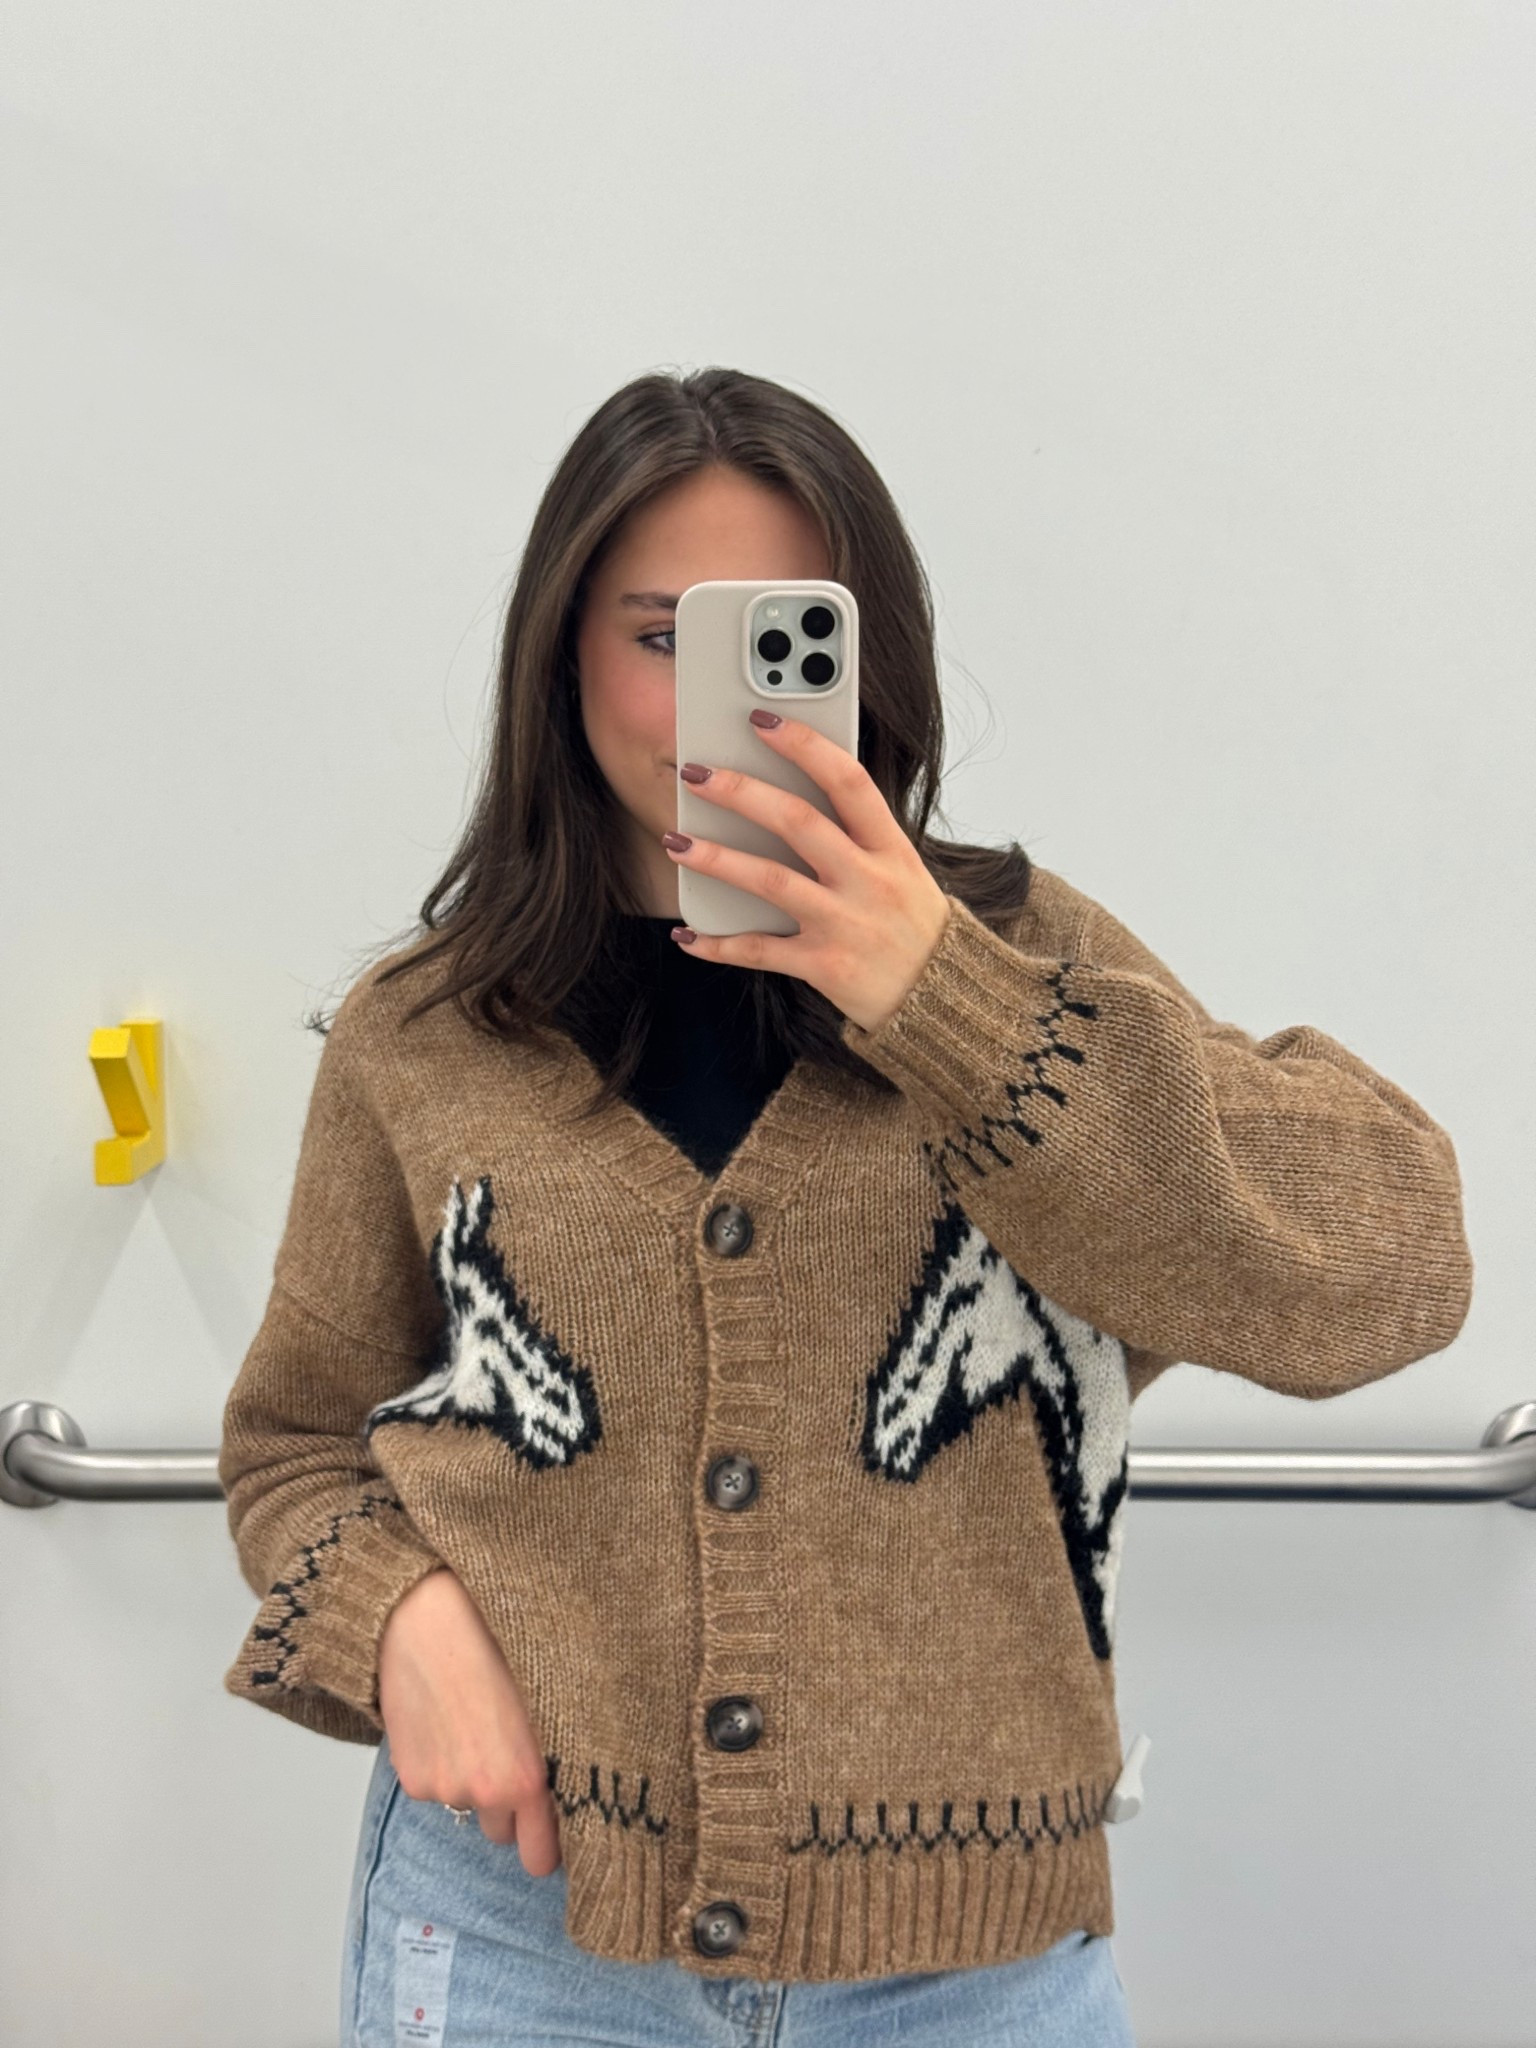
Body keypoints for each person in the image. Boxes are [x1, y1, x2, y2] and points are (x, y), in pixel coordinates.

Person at [217, 367, 1474, 2047]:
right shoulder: (432, 1028)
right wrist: (401, 1617)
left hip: (974, 1973)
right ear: (562, 654)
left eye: (780, 639)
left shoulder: (1024, 960)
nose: (716, 702)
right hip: (522, 1937)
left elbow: (1388, 1267)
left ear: (867, 656)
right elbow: (294, 1443)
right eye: (662, 635)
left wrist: (944, 1000)